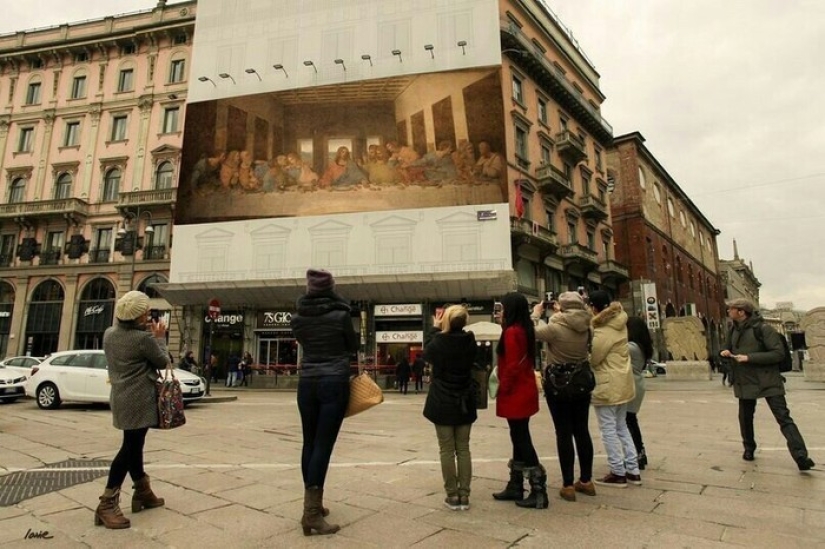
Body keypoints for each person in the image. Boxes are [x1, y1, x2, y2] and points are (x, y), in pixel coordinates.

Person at [290, 269, 359, 536]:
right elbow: (351, 346)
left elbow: (305, 343)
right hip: (334, 382)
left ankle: (313, 505)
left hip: (307, 382)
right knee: (323, 445)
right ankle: (311, 514)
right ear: (330, 288)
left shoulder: (297, 318)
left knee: (309, 442)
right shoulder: (341, 315)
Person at [95, 291, 170, 529]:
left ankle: (142, 491)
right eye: (146, 312)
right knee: (129, 449)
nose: (149, 315)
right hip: (139, 399)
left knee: (134, 444)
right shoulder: (143, 339)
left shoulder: (109, 334)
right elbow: (163, 361)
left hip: (119, 397)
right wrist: (159, 337)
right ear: (139, 317)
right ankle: (107, 502)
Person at [720, 298, 815, 471]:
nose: (728, 311)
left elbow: (778, 354)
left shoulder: (764, 329)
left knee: (783, 418)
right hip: (745, 380)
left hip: (768, 379)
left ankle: (801, 455)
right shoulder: (732, 330)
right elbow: (726, 349)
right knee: (745, 418)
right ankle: (749, 448)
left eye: (731, 309)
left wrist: (749, 357)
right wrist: (725, 353)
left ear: (741, 312)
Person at [532, 291, 595, 502]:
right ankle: (586, 480)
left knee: (563, 432)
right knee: (582, 431)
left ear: (561, 307)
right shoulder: (588, 327)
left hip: (558, 385)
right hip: (580, 383)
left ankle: (568, 484)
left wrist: (535, 314)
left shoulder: (554, 328)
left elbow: (531, 332)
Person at [492, 292, 547, 509]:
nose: (501, 311)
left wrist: (502, 387)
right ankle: (516, 484)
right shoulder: (524, 329)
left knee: (521, 438)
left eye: (503, 308)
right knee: (518, 435)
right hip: (524, 389)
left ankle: (538, 490)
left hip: (515, 391)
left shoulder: (512, 332)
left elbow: (512, 365)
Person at [423, 305, 478, 511]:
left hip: (443, 401)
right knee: (463, 448)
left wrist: (435, 328)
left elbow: (427, 352)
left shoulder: (438, 342)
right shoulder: (470, 340)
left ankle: (452, 495)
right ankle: (465, 495)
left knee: (446, 449)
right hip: (464, 400)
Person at [588, 290, 640, 488]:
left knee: (608, 429)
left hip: (607, 383)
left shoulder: (604, 329)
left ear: (595, 307)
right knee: (621, 426)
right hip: (623, 381)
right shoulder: (620, 323)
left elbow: (595, 357)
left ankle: (617, 471)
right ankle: (633, 469)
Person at [626, 316, 652, 471]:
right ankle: (640, 452)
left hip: (631, 384)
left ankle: (637, 454)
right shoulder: (642, 346)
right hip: (637, 383)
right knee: (631, 420)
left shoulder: (631, 347)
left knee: (627, 422)